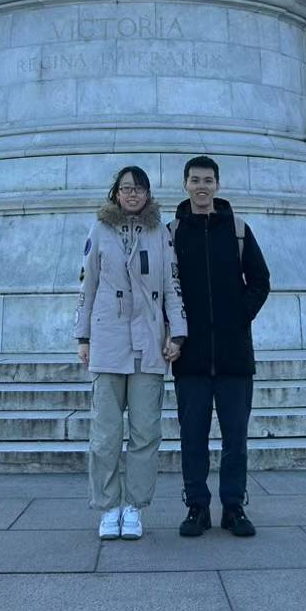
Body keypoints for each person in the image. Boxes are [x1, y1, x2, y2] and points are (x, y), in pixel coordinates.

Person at [76, 165, 186, 541]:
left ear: (148, 193)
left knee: (145, 432)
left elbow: (172, 284)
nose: (132, 194)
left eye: (139, 188)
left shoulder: (161, 232)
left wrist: (179, 334)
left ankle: (134, 507)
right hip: (108, 341)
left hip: (150, 342)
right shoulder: (99, 229)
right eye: (126, 188)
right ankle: (108, 507)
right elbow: (87, 287)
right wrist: (83, 337)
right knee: (105, 434)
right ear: (116, 193)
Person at [170, 155, 270, 538]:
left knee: (235, 439)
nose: (201, 186)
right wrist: (175, 331)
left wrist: (236, 318)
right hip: (191, 356)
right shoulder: (172, 232)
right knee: (192, 437)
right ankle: (197, 506)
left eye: (208, 180)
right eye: (195, 179)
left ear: (217, 185)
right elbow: (165, 290)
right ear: (185, 184)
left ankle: (233, 506)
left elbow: (260, 280)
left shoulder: (239, 229)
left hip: (234, 354)